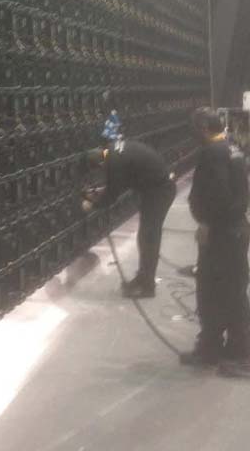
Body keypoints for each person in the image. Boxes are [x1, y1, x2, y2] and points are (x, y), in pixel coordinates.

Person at [181, 107, 250, 370]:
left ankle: (212, 349)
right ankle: (236, 348)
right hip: (236, 229)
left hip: (221, 232)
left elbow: (219, 193)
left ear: (203, 128)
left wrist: (207, 223)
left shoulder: (211, 152)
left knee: (210, 291)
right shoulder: (232, 148)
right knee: (233, 289)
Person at [83, 139, 177, 298]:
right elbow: (124, 179)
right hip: (155, 187)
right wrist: (99, 193)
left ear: (100, 163)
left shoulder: (114, 163)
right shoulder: (114, 149)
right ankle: (143, 277)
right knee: (145, 237)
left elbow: (112, 195)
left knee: (149, 238)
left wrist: (92, 205)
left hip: (160, 192)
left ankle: (147, 287)